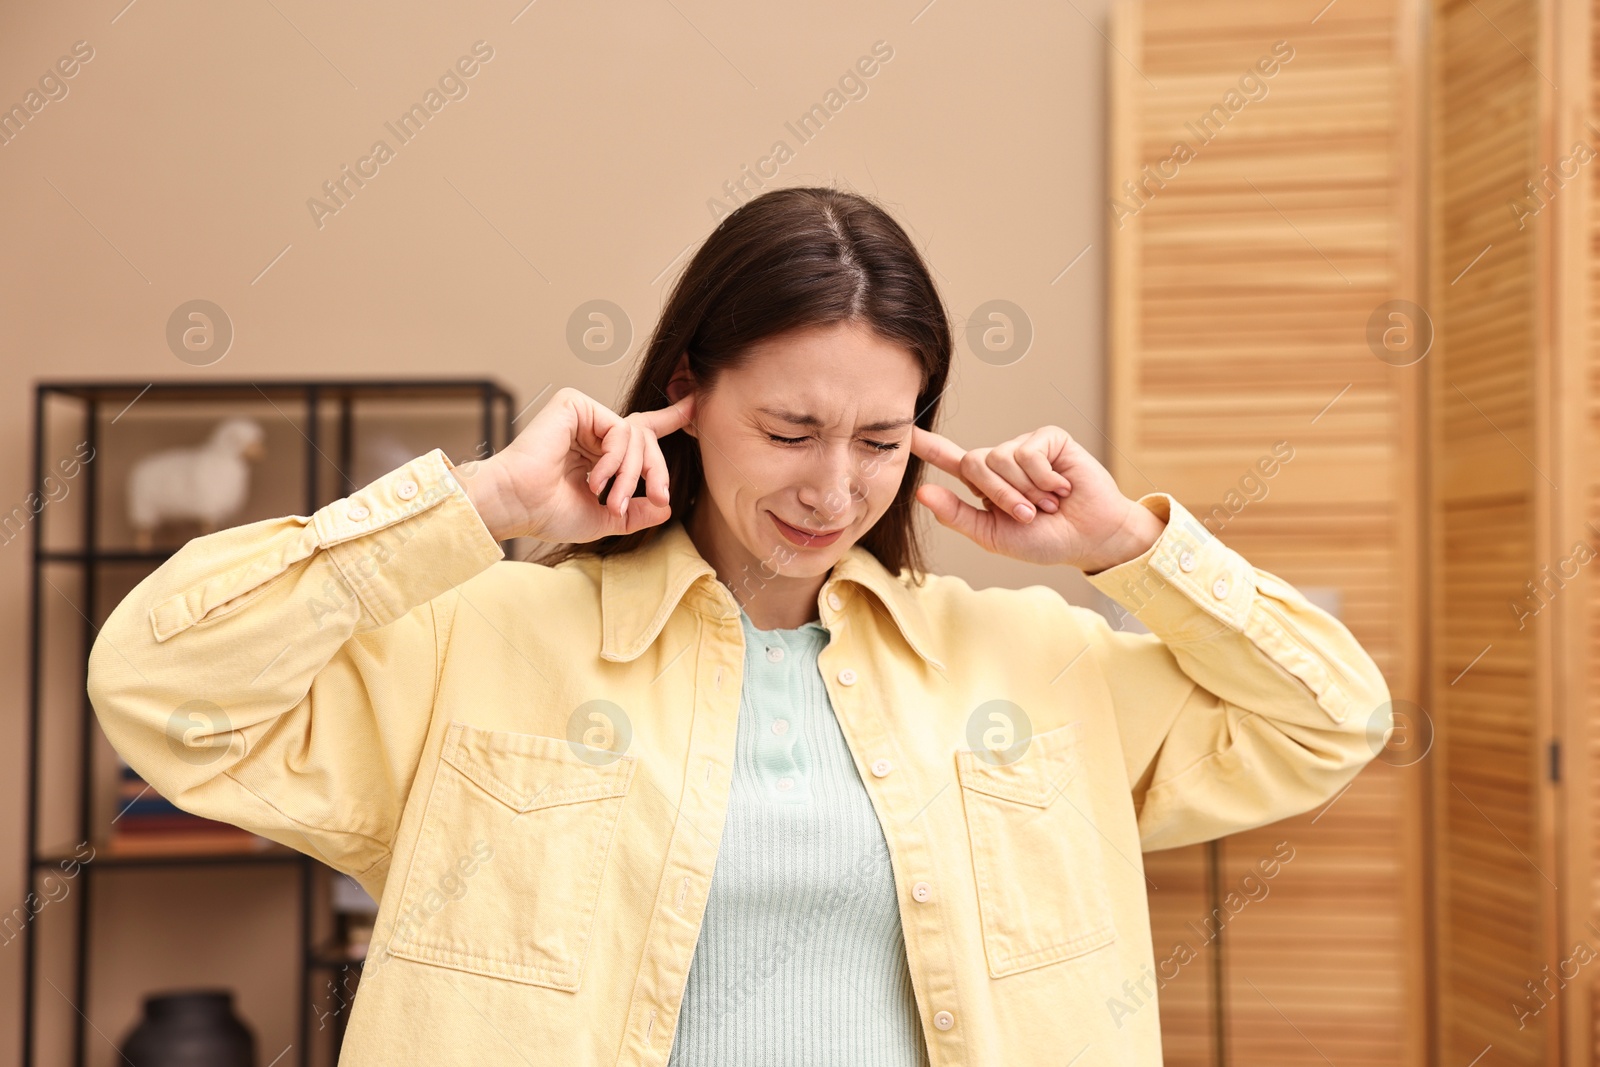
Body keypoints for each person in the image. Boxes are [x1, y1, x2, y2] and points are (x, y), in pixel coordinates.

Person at [88, 186, 1392, 1066]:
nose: (834, 488)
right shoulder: (485, 641)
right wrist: (480, 503)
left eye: (882, 438)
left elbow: (1332, 715)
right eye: (788, 431)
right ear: (685, 398)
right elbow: (163, 685)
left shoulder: (1031, 665)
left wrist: (1130, 549)